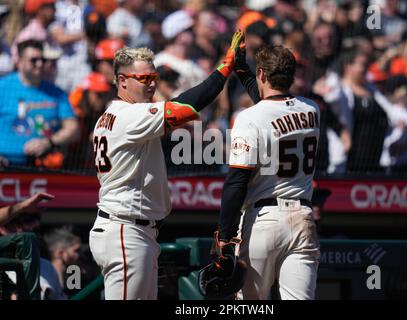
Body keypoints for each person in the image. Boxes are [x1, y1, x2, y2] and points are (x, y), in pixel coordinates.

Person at [88, 31, 244, 300]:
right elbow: (187, 106)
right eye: (143, 79)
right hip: (126, 230)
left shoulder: (112, 116)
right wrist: (225, 68)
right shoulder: (129, 115)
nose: (151, 85)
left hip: (130, 229)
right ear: (122, 81)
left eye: (153, 78)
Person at [216, 43, 321, 300]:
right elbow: (271, 106)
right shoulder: (312, 109)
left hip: (264, 219)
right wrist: (243, 71)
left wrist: (225, 237)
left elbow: (237, 181)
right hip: (303, 218)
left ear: (262, 74)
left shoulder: (249, 117)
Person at [0, 39, 79, 167]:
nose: (39, 64)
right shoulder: (3, 88)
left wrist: (48, 142)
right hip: (4, 168)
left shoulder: (56, 93)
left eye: (42, 60)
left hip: (42, 168)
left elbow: (73, 129)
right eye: (33, 60)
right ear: (19, 62)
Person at [0, 192, 54, 300]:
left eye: (36, 229)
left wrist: (23, 207)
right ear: (4, 228)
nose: (31, 228)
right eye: (24, 221)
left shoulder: (46, 266)